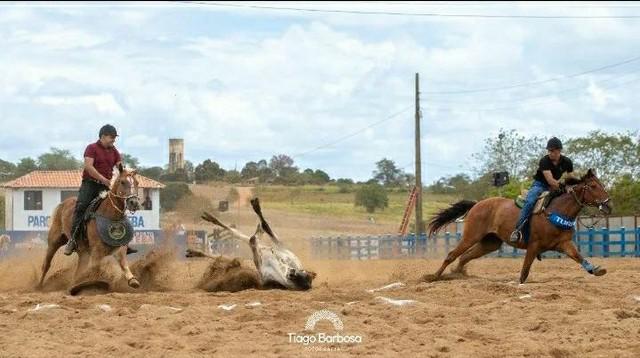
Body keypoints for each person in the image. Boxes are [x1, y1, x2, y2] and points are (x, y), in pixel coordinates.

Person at [64, 124, 137, 255]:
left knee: (118, 207)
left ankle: (124, 242)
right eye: (112, 138)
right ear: (103, 136)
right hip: (90, 185)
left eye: (114, 138)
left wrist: (127, 172)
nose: (113, 141)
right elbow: (88, 167)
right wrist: (103, 179)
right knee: (81, 208)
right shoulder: (91, 148)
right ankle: (73, 240)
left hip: (105, 186)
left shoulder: (114, 150)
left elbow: (120, 166)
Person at [510, 137, 574, 243]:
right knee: (530, 202)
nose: (550, 153)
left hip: (555, 187)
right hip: (540, 185)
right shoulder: (544, 161)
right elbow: (550, 181)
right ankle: (518, 230)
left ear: (559, 150)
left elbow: (571, 177)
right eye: (549, 150)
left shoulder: (567, 162)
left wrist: (571, 186)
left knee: (569, 201)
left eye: (552, 150)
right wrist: (565, 187)